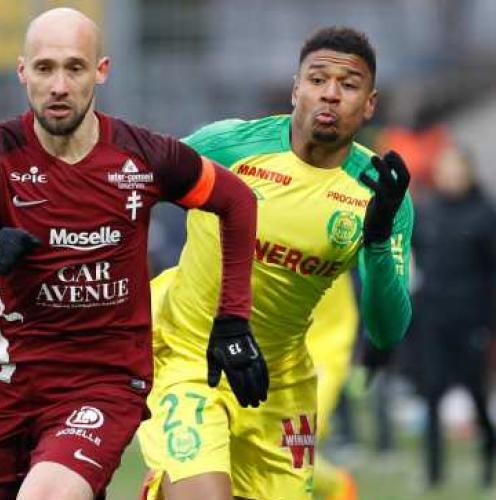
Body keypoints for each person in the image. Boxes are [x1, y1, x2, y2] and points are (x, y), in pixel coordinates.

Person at [0, 8, 262, 500]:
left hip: (103, 383)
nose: (59, 85)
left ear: (100, 71)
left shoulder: (144, 157)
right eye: (44, 69)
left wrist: (232, 318)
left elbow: (236, 201)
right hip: (6, 384)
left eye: (74, 68)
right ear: (22, 72)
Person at [137, 27, 413, 499]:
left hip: (279, 386)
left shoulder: (380, 192)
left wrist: (378, 237)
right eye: (317, 78)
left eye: (348, 84)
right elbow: (130, 184)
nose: (330, 93)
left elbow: (388, 329)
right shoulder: (227, 146)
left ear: (369, 104)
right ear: (295, 88)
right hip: (188, 357)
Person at [413, 143, 496, 488]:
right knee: (431, 394)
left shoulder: (484, 213)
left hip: (471, 319)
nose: (451, 175)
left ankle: (488, 458)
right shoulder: (426, 211)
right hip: (432, 317)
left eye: (457, 168)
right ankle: (433, 475)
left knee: (476, 395)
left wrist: (488, 323)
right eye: (445, 168)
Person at [305, 273, 359, 499]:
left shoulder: (344, 239)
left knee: (291, 444)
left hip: (326, 350)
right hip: (278, 347)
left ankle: (336, 487)